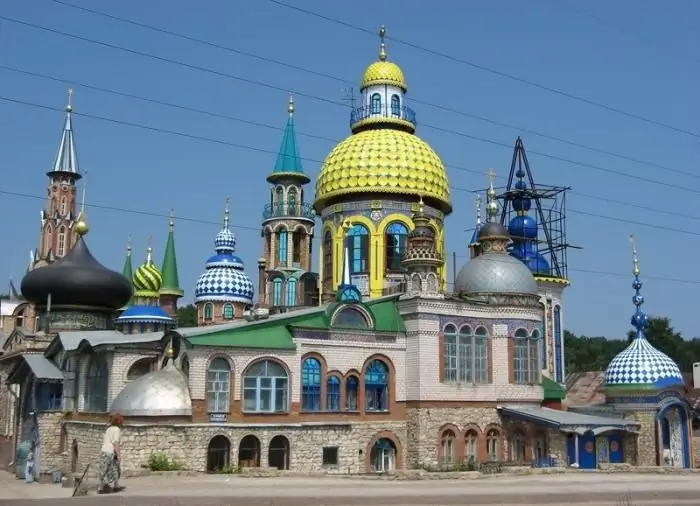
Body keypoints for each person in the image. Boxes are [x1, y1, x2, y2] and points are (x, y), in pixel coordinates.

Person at [98, 413, 123, 494]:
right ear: (119, 421)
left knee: (107, 468)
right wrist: (119, 455)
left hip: (103, 451)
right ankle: (104, 487)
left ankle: (113, 486)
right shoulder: (117, 430)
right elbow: (116, 443)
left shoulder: (109, 429)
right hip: (110, 451)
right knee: (113, 468)